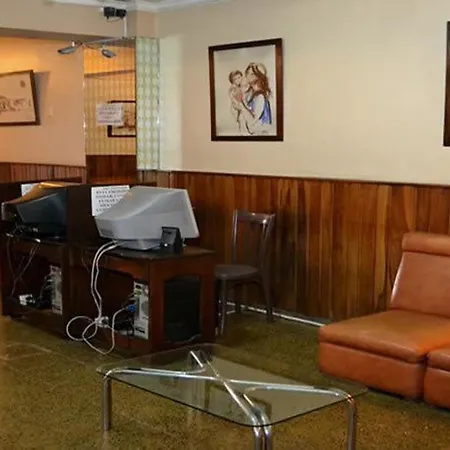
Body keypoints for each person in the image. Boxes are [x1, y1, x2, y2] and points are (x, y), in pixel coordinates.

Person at [235, 62, 273, 135]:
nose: (247, 76)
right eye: (247, 73)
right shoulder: (249, 94)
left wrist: (240, 103)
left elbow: (251, 125)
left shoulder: (260, 97)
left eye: (252, 74)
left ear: (259, 77)